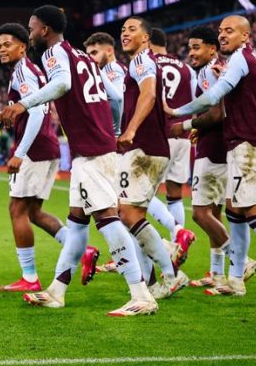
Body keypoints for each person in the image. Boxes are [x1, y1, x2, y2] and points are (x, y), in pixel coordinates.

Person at [1, 6, 157, 316]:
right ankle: (57, 290)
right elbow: (114, 96)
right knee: (76, 222)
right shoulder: (82, 56)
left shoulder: (54, 54)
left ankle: (141, 294)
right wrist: (112, 129)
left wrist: (23, 104)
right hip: (95, 147)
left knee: (107, 220)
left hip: (92, 152)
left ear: (45, 29)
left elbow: (62, 85)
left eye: (32, 29)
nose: (30, 34)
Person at [165, 15, 256, 301]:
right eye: (220, 31)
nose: (222, 35)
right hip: (244, 145)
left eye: (229, 31)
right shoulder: (252, 59)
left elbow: (213, 97)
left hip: (250, 145)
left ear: (245, 35)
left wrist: (177, 113)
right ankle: (236, 280)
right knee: (234, 212)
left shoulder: (241, 58)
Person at [84, 32, 181, 281]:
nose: (91, 58)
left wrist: (121, 130)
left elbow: (118, 99)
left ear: (108, 50)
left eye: (95, 52)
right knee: (129, 212)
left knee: (126, 211)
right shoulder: (134, 66)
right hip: (137, 144)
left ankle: (171, 249)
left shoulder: (122, 69)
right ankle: (150, 273)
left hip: (125, 145)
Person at [169, 26, 256, 290]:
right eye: (189, 48)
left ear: (212, 48)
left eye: (196, 47)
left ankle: (240, 262)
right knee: (215, 213)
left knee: (200, 214)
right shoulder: (218, 68)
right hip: (220, 147)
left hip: (213, 152)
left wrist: (186, 126)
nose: (191, 53)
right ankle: (217, 274)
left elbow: (217, 113)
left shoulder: (210, 71)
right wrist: (200, 128)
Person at [0, 23, 68, 292]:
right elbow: (32, 105)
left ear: (22, 47)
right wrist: (2, 115)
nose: (2, 49)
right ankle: (80, 248)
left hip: (34, 149)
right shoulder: (27, 71)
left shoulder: (23, 71)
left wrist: (19, 153)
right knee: (33, 212)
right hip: (47, 146)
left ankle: (29, 278)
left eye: (7, 44)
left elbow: (37, 112)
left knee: (17, 210)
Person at [116, 17, 189, 299]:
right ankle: (162, 267)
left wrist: (131, 128)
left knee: (127, 213)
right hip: (153, 148)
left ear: (146, 38)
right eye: (122, 30)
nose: (125, 33)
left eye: (132, 29)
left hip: (144, 148)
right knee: (132, 215)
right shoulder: (145, 62)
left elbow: (147, 94)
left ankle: (171, 272)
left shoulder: (141, 61)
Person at [149, 27, 196, 260]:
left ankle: (175, 235)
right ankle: (179, 243)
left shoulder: (147, 63)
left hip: (159, 135)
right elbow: (197, 100)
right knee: (175, 192)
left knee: (140, 194)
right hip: (182, 135)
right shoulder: (186, 68)